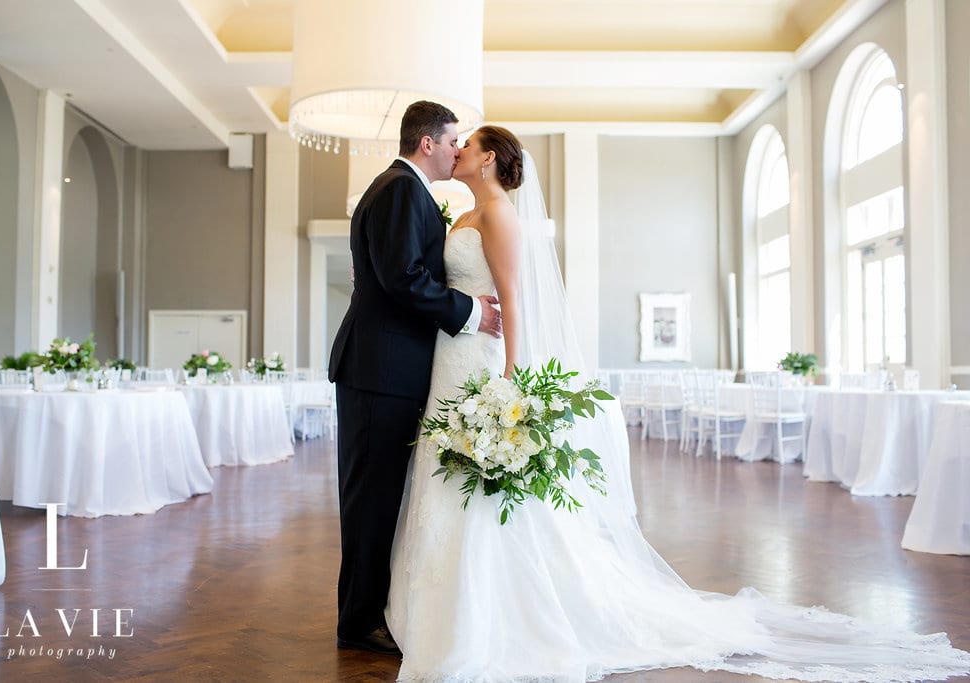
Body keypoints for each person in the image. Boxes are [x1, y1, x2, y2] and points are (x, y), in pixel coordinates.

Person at [384, 125, 970, 682]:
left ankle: (490, 618)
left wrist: (511, 380)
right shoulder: (460, 213)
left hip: (484, 363)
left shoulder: (501, 216)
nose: (457, 149)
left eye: (469, 144)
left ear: (488, 158)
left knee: (484, 485)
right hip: (449, 360)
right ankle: (437, 613)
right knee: (444, 475)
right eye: (453, 141)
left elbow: (515, 302)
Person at [328, 101, 502, 656]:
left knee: (378, 497)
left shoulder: (403, 190)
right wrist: (474, 312)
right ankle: (357, 623)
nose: (457, 149)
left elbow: (392, 272)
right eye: (453, 140)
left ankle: (365, 611)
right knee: (371, 500)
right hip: (381, 370)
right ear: (427, 143)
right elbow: (404, 279)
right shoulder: (402, 189)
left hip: (387, 368)